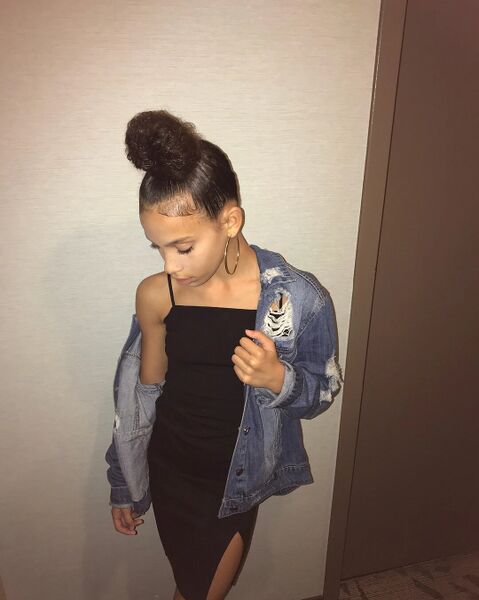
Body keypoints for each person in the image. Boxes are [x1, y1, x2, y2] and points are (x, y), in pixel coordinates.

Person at [105, 109, 343, 600]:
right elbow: (140, 399)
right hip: (172, 469)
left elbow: (324, 391)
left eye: (183, 247)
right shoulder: (156, 294)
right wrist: (123, 481)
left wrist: (279, 379)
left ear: (230, 220)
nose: (171, 265)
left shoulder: (299, 298)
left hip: (235, 480)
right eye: (158, 248)